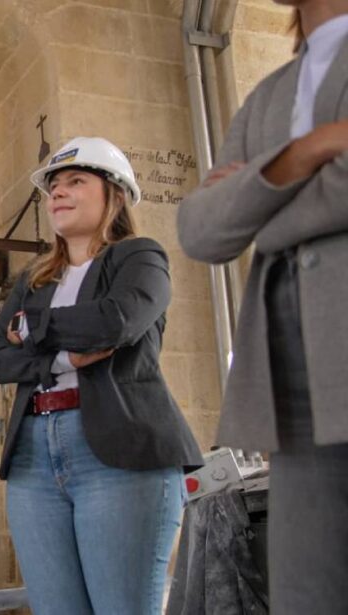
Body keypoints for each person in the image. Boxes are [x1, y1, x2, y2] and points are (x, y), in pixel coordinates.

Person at [0, 137, 202, 615]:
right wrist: (59, 359)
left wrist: (31, 329)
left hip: (120, 453)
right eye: (54, 185)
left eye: (76, 181)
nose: (58, 192)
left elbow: (117, 322)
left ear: (114, 194)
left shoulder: (141, 257)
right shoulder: (33, 280)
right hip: (33, 459)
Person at [178, 2, 348, 611]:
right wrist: (308, 154)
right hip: (292, 375)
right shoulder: (269, 94)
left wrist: (255, 201)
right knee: (308, 591)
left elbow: (234, 219)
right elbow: (201, 230)